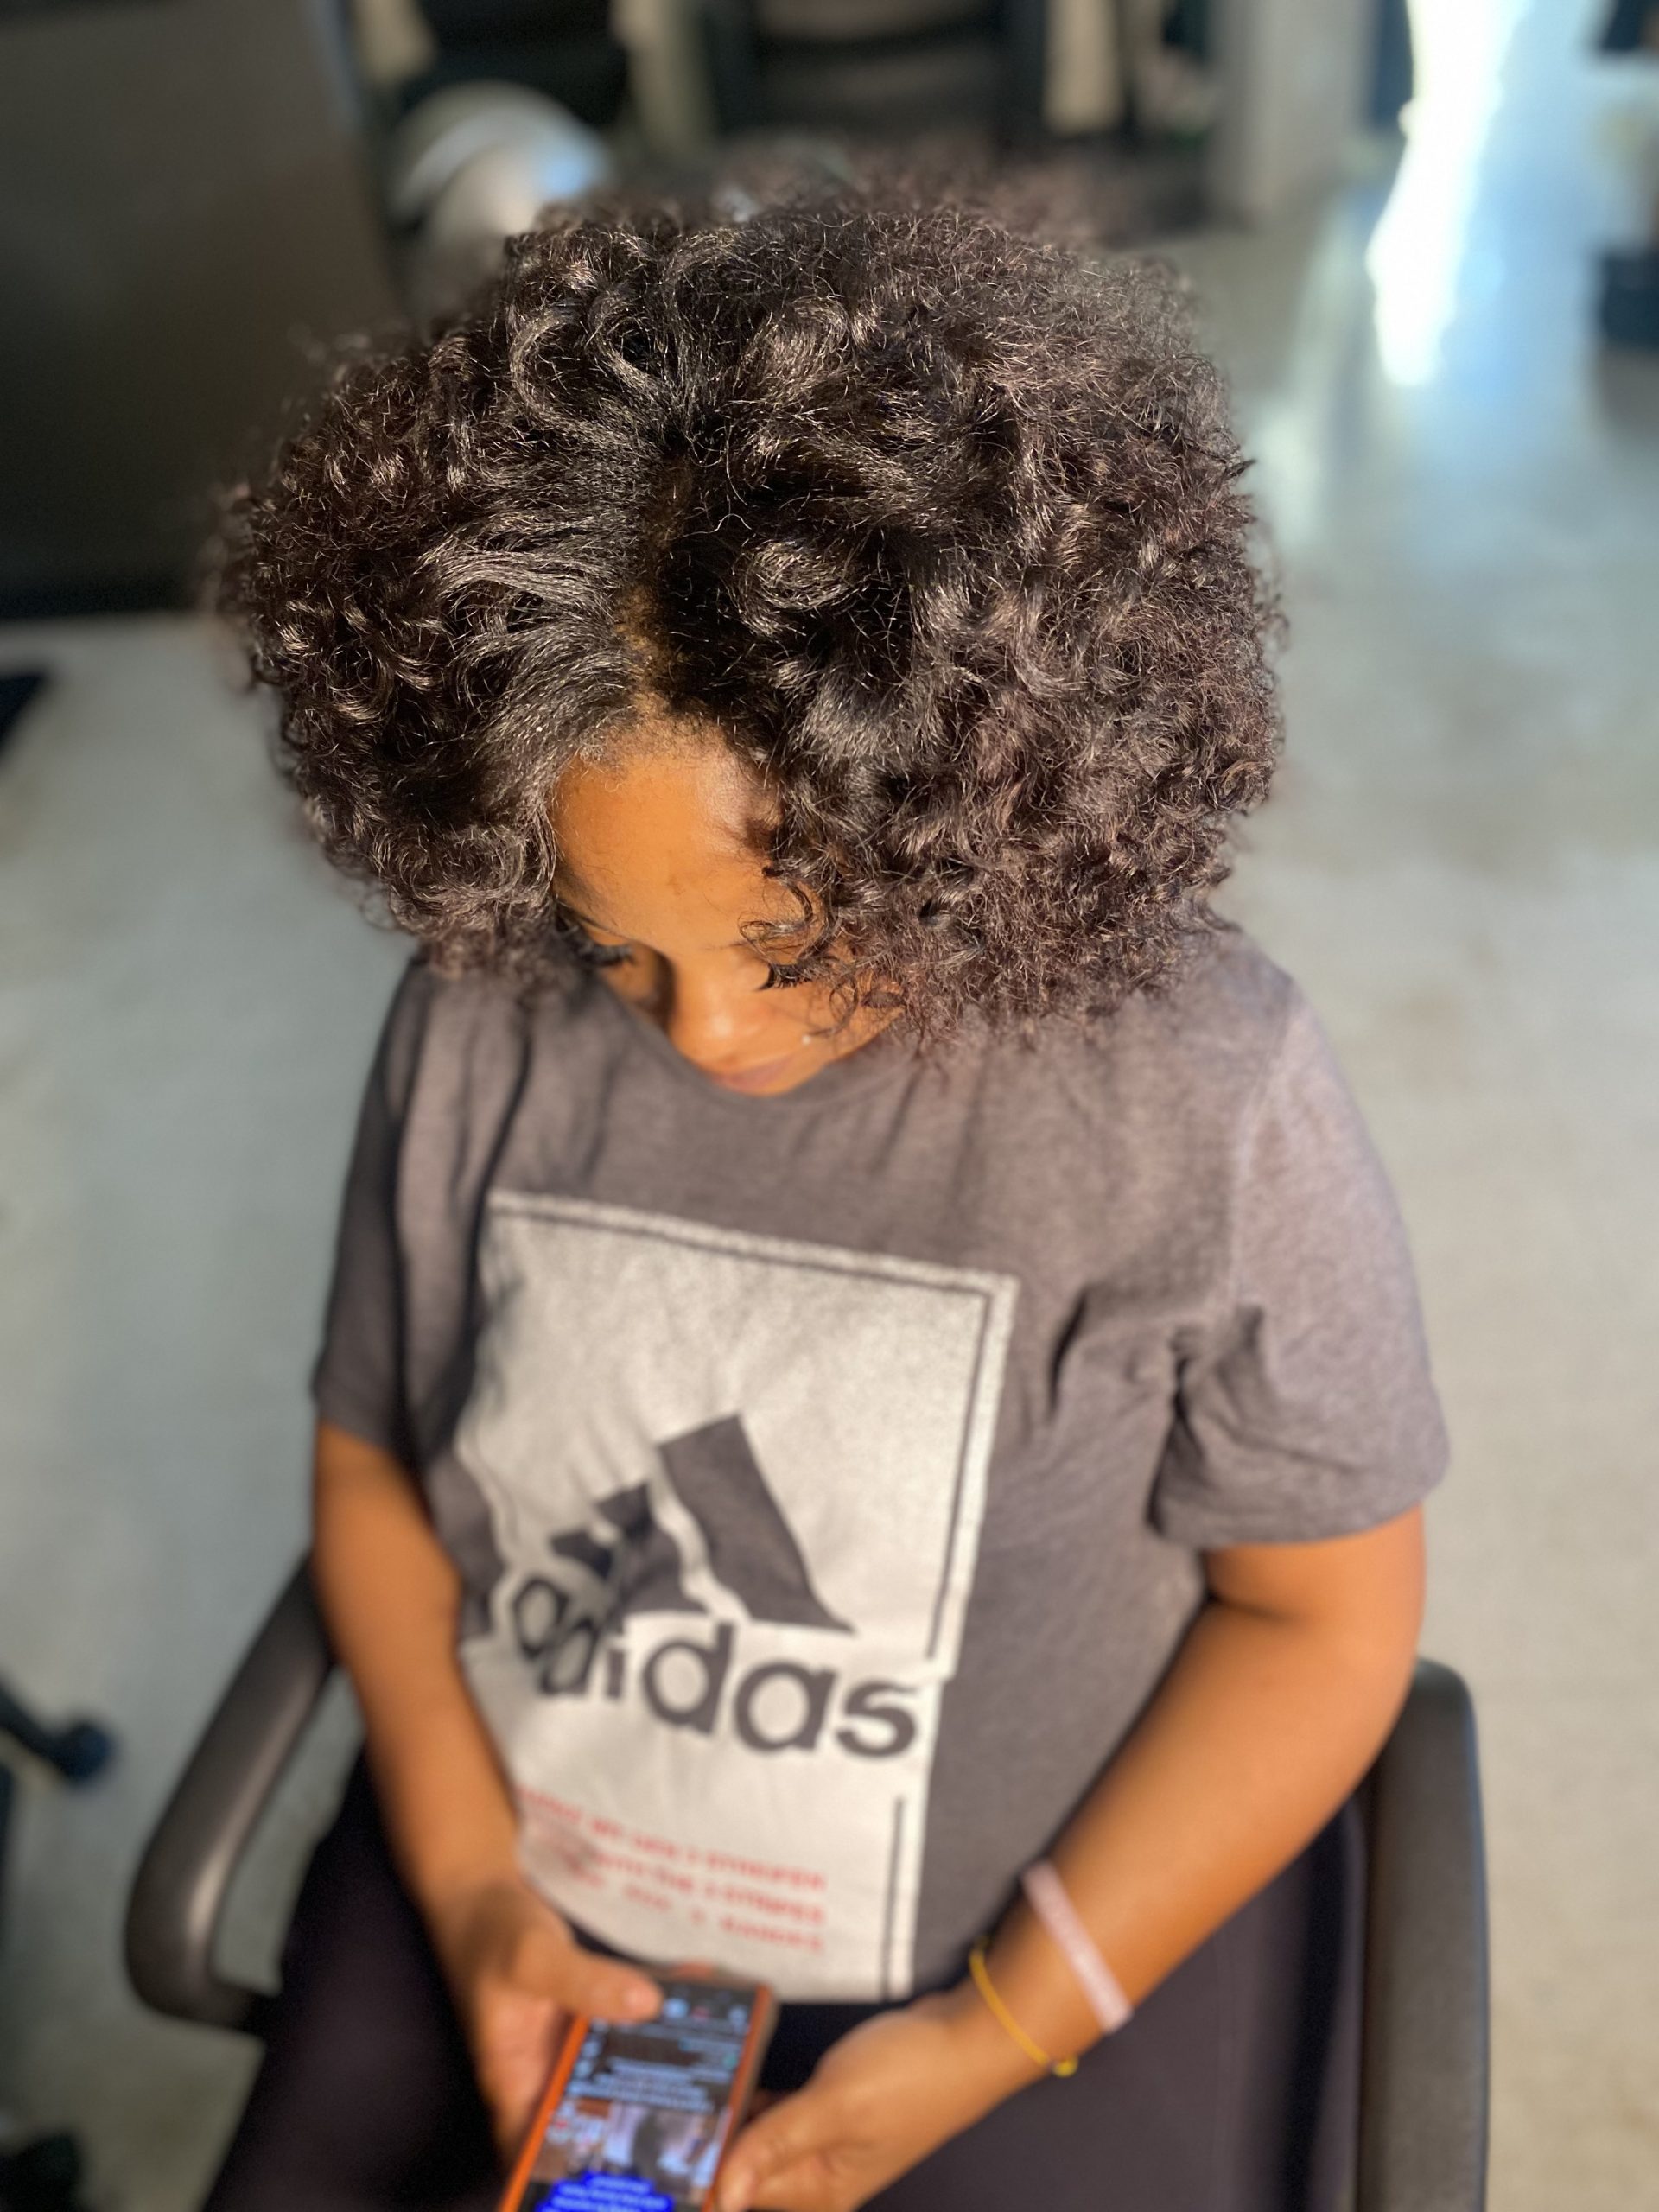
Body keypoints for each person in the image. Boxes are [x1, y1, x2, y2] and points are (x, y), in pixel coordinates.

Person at [206, 190, 1446, 2212]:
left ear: (970, 814)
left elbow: (1321, 1617)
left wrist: (995, 2028)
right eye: (618, 946)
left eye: (794, 943)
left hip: (1002, 1958)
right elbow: (372, 1471)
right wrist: (475, 1891)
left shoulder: (1205, 1099)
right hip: (528, 1883)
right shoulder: (472, 1011)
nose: (704, 1030)